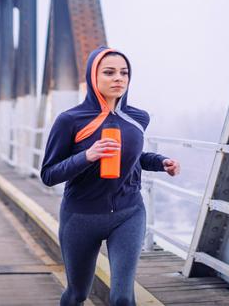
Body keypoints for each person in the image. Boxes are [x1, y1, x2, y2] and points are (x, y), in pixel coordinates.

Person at [40, 46, 181, 306]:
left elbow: (133, 158)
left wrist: (161, 162)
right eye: (109, 72)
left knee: (122, 298)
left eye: (124, 73)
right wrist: (88, 156)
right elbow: (49, 174)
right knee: (77, 294)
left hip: (129, 214)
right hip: (80, 217)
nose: (118, 78)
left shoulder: (138, 117)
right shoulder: (70, 120)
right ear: (93, 77)